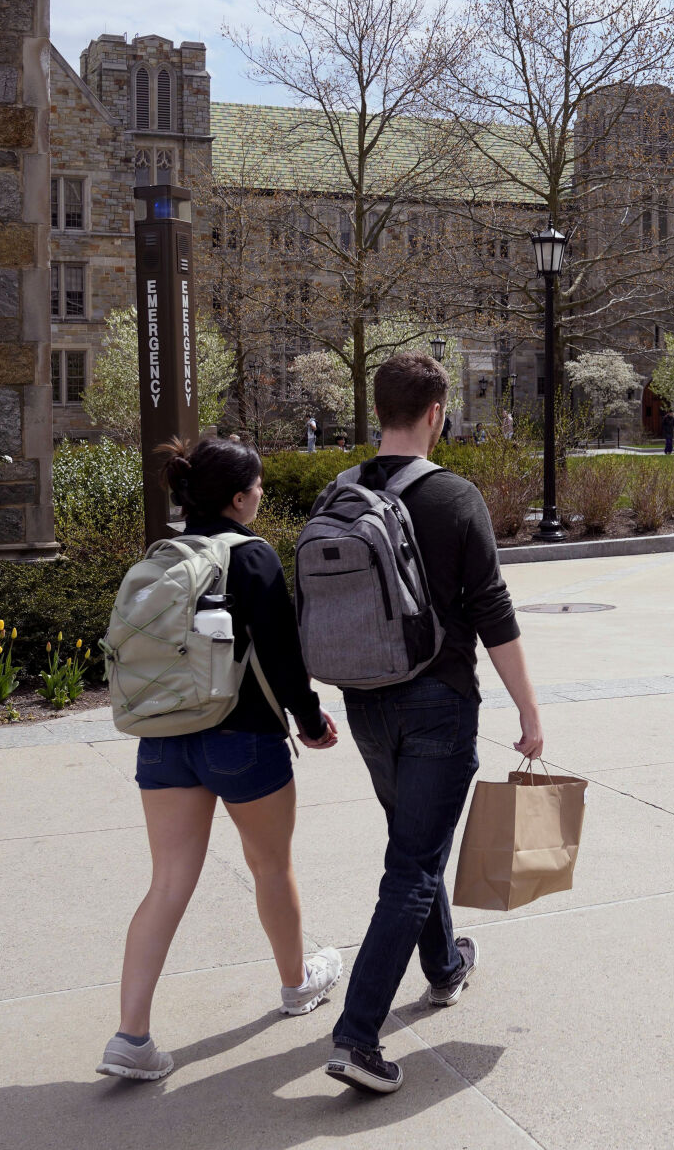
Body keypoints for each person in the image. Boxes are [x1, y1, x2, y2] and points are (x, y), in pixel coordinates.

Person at [326, 353, 545, 1096]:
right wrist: (528, 707)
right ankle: (357, 1035)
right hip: (438, 701)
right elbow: (492, 611)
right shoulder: (453, 495)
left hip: (363, 699)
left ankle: (445, 965)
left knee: (413, 841)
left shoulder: (340, 490)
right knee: (413, 865)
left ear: (379, 409)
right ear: (434, 415)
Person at [96, 437, 343, 1084]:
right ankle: (296, 984)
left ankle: (131, 1035)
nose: (260, 495)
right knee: (270, 865)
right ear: (238, 498)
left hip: (163, 736)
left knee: (167, 882)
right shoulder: (252, 556)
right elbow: (285, 661)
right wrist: (311, 723)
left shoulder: (164, 554)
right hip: (242, 737)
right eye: (256, 488)